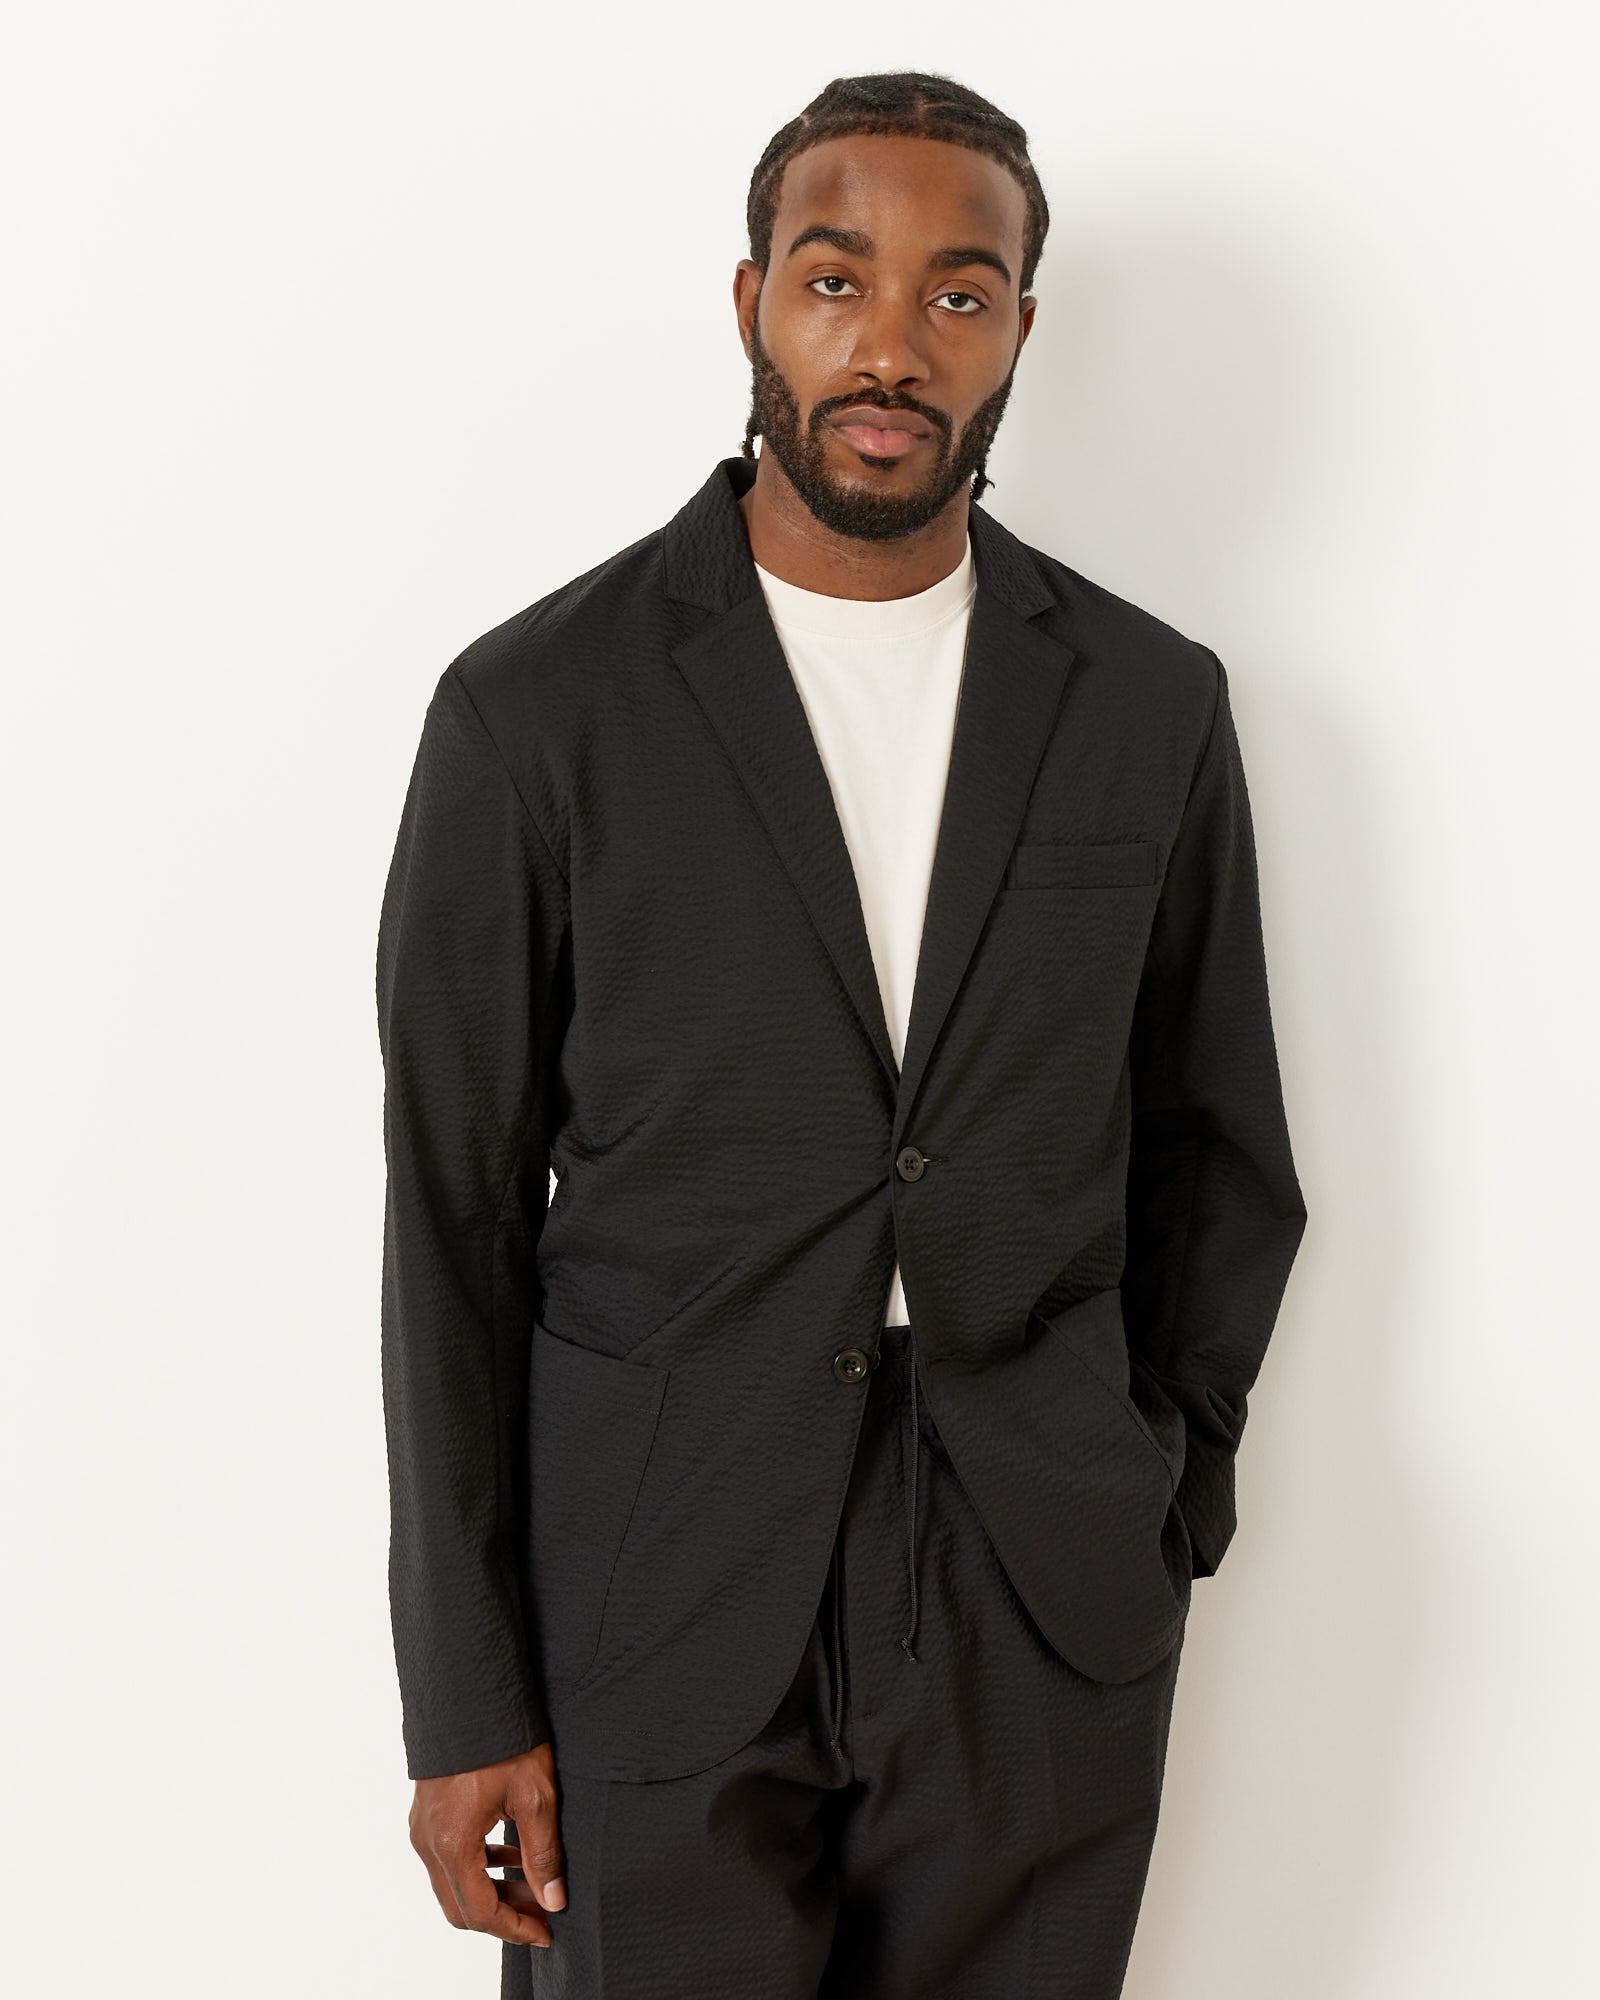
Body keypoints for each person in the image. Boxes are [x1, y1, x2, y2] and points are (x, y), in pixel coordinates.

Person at [376, 70, 1308, 2000]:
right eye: (835, 279)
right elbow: (449, 1228)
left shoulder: (1147, 706)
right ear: (749, 305)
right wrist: (464, 1694)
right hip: (650, 1580)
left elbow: (1218, 1147)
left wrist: (1160, 1492)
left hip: (1029, 1576)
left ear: (1020, 337)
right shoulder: (536, 713)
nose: (891, 342)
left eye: (959, 296)